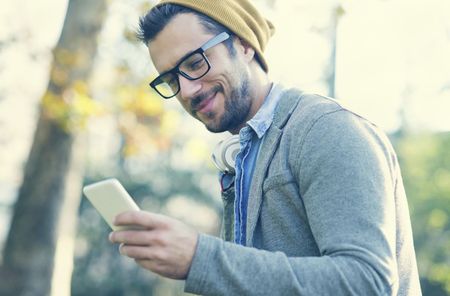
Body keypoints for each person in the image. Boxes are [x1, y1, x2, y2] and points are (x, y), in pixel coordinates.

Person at [108, 0, 422, 295]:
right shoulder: (242, 156)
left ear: (244, 45)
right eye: (171, 80)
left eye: (195, 62)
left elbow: (366, 282)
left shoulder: (326, 128)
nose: (187, 89)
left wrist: (200, 258)